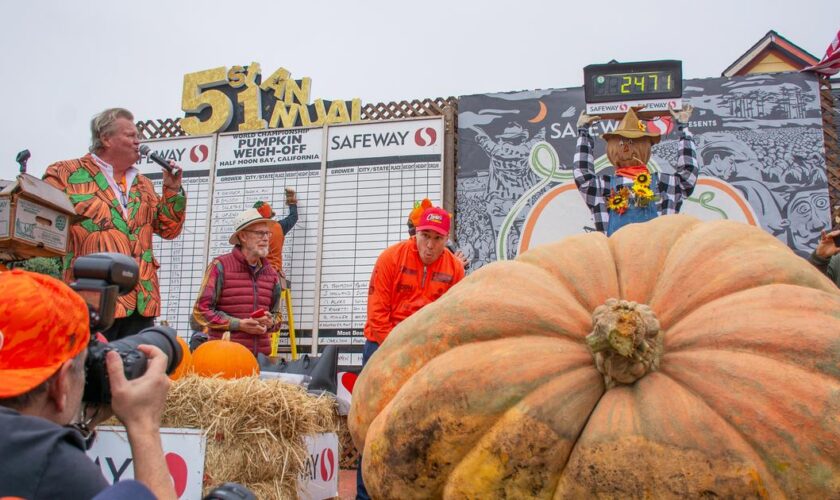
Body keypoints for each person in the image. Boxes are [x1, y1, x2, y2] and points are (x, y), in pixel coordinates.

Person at [0, 269, 175, 500]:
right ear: (61, 384)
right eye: (83, 367)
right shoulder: (54, 467)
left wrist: (83, 426)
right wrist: (143, 425)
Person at [44, 108, 186, 341]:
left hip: (140, 299)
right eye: (130, 135)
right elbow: (47, 224)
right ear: (106, 138)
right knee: (92, 371)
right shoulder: (64, 173)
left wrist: (172, 189)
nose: (138, 141)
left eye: (137, 135)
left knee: (135, 371)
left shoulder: (144, 184)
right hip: (91, 297)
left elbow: (170, 229)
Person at [356, 206, 465, 500]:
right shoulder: (390, 259)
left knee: (420, 425)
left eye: (437, 239)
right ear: (416, 233)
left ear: (446, 239)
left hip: (425, 354)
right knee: (373, 425)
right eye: (424, 236)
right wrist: (399, 354)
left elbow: (451, 319)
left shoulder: (455, 269)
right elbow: (378, 315)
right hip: (382, 347)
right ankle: (365, 495)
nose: (429, 245)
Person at [574, 104, 698, 235]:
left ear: (645, 148)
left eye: (632, 143)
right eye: (621, 144)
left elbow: (688, 174)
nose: (626, 148)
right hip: (616, 254)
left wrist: (683, 128)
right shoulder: (603, 187)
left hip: (657, 254)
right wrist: (583, 132)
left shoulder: (663, 184)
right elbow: (582, 175)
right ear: (612, 149)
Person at [191, 208, 283, 355]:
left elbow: (277, 316)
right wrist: (239, 324)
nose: (266, 238)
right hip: (224, 356)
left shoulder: (271, 273)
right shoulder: (220, 266)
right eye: (260, 233)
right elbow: (200, 312)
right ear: (243, 236)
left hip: (260, 358)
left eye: (267, 233)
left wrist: (270, 321)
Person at [252, 187, 299, 278]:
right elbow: (294, 217)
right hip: (275, 275)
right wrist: (291, 201)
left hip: (257, 276)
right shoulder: (279, 227)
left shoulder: (250, 233)